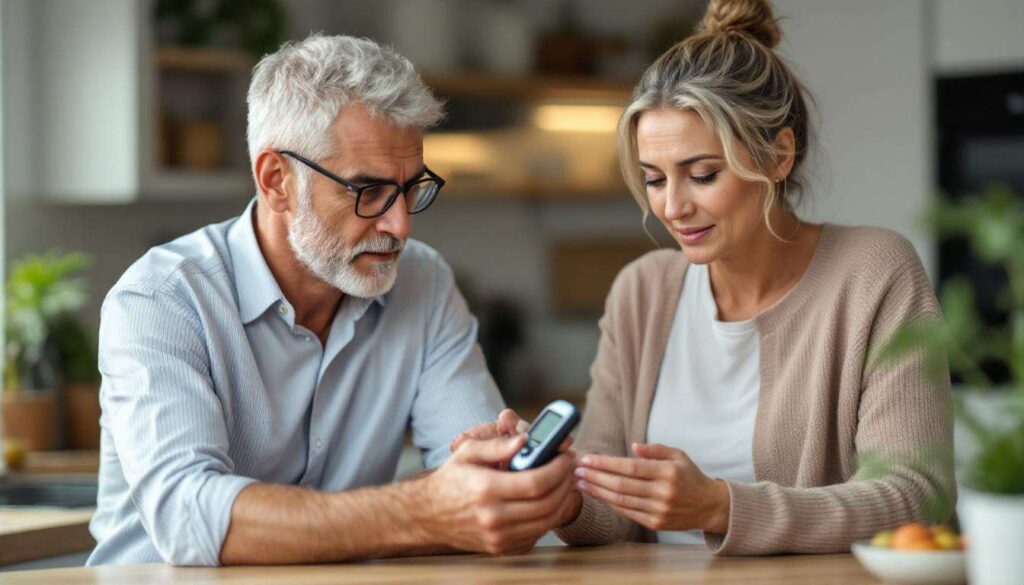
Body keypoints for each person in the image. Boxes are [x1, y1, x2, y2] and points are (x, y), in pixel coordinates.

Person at [461, 0, 954, 555]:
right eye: (653, 179)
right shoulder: (641, 291)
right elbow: (608, 511)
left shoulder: (874, 273)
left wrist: (722, 506)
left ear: (777, 156)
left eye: (702, 175)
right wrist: (557, 487)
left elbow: (919, 497)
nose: (672, 206)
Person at [87, 34, 577, 567]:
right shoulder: (162, 300)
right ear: (277, 181)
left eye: (411, 188)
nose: (400, 225)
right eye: (367, 191)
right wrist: (422, 509)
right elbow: (190, 518)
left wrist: (499, 490)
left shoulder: (423, 283)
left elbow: (479, 492)